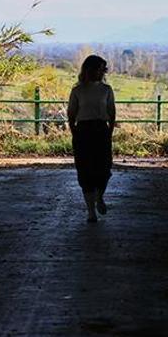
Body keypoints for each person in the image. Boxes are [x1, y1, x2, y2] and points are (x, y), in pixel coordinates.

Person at [68, 55, 116, 223]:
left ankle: (99, 197)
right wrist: (76, 133)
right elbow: (71, 114)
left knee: (104, 169)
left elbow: (112, 112)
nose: (103, 72)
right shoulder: (77, 91)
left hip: (101, 130)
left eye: (104, 69)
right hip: (84, 131)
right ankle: (91, 211)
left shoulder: (106, 90)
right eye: (100, 69)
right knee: (85, 170)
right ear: (90, 69)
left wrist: (109, 132)